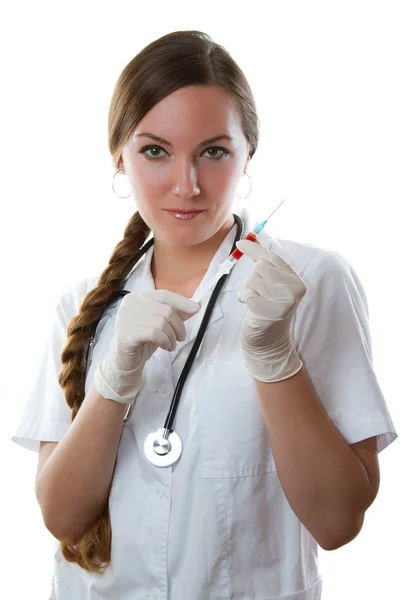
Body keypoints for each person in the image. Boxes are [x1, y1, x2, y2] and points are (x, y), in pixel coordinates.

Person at [12, 30, 397, 600]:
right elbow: (63, 519)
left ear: (248, 157)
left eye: (214, 151)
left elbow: (338, 523)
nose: (186, 185)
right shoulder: (81, 303)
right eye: (155, 151)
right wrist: (111, 386)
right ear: (120, 156)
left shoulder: (311, 283)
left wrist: (275, 359)